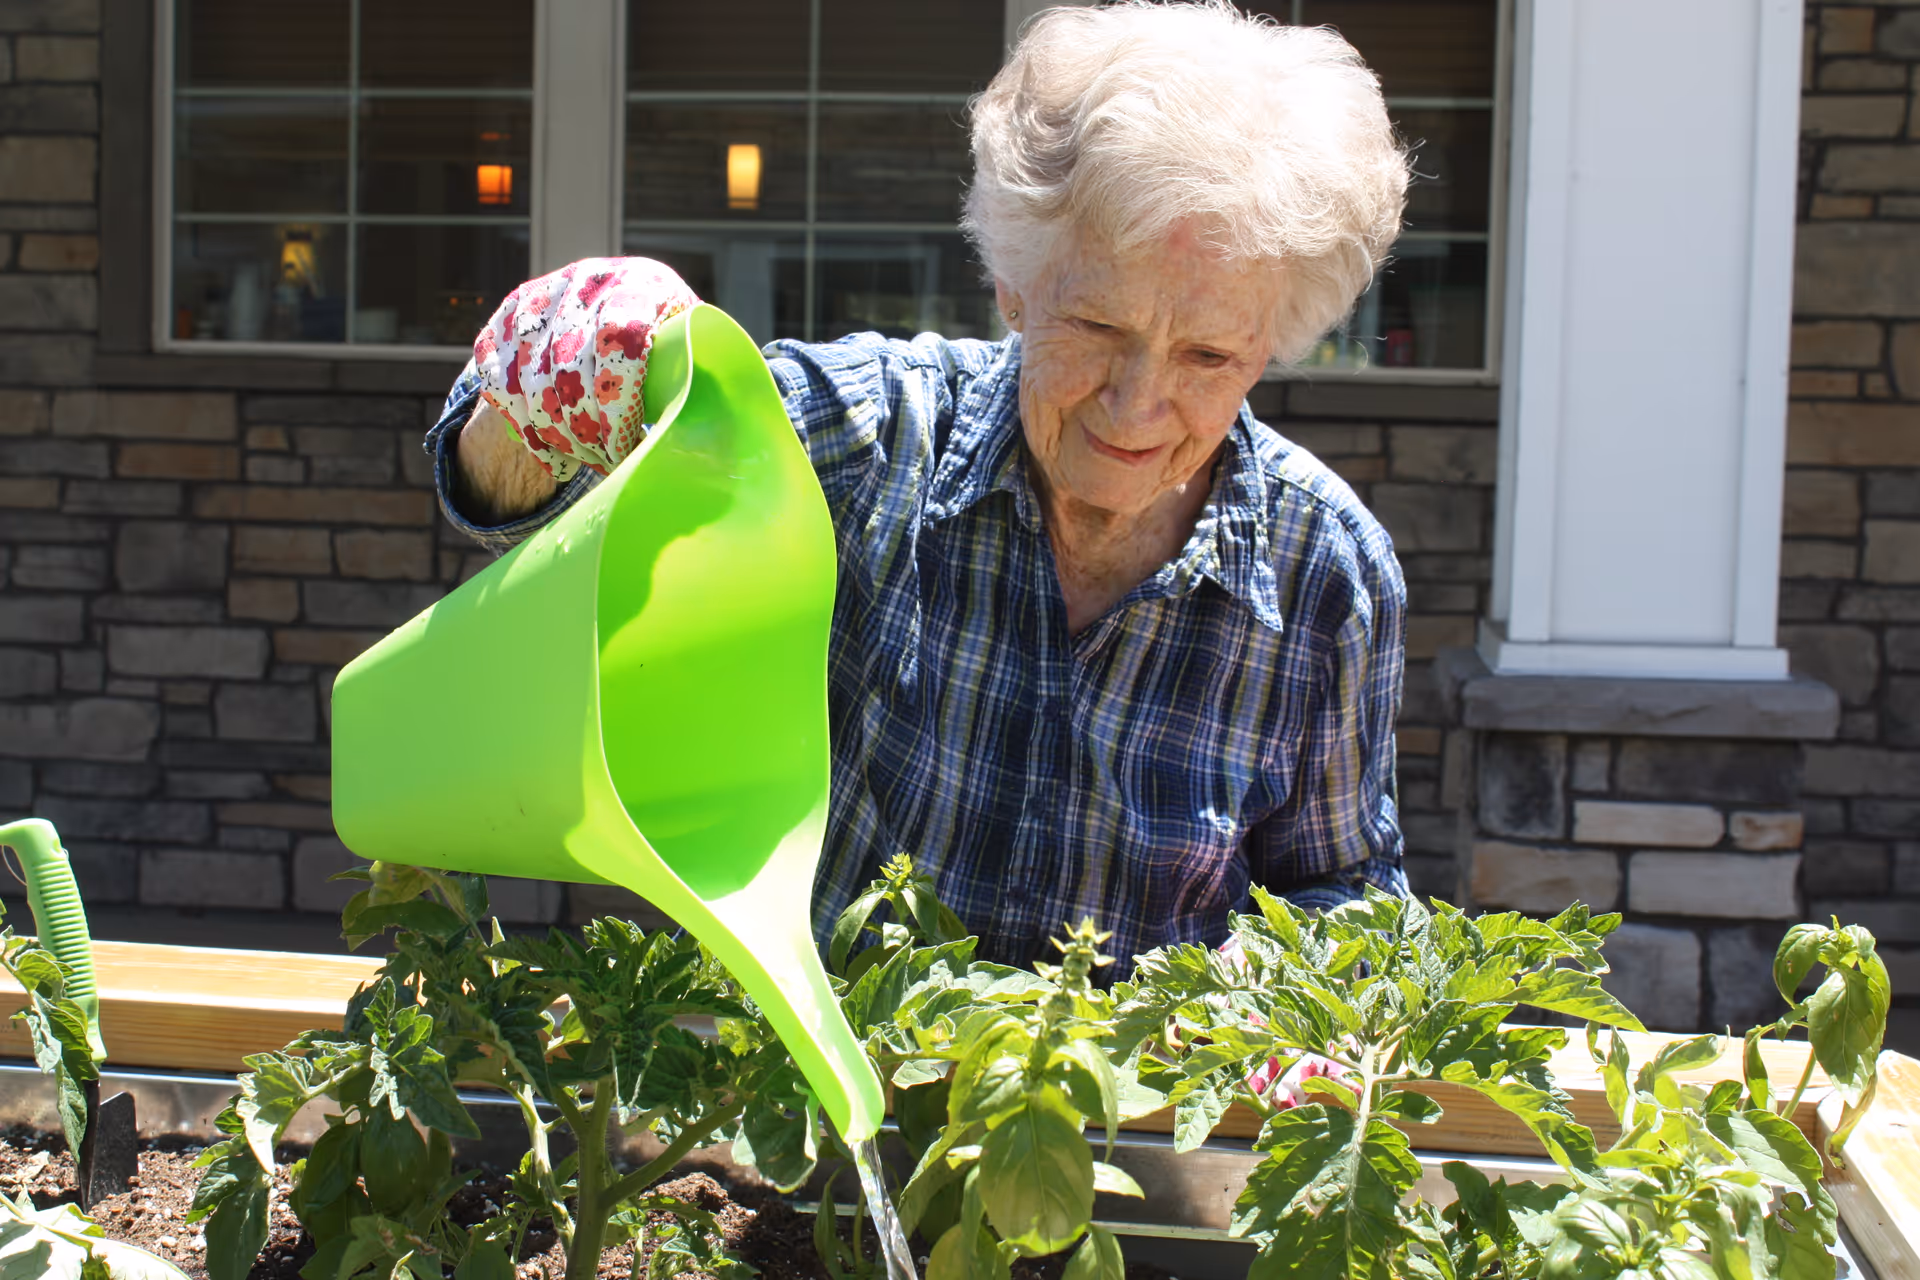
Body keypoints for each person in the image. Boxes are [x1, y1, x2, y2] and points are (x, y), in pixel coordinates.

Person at [428, 0, 1412, 977]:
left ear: (1272, 346)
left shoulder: (1325, 567)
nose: (1137, 404)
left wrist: (1275, 982)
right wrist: (558, 378)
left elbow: (1345, 875)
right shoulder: (875, 433)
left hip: (1124, 1109)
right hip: (819, 1096)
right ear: (1014, 287)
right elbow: (522, 491)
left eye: (1207, 354)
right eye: (1100, 329)